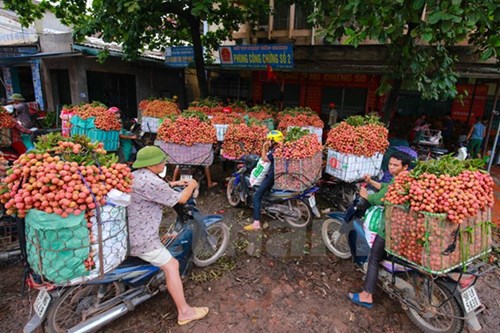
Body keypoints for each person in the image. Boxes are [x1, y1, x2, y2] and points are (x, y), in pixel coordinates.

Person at [127, 146, 209, 325]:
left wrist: (175, 184)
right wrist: (193, 185)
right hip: (141, 238)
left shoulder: (135, 175)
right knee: (172, 265)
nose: (165, 163)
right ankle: (185, 312)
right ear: (152, 164)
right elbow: (181, 200)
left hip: (129, 230)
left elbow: (153, 189)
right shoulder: (153, 182)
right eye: (162, 161)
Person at [347, 151, 412, 308]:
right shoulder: (405, 179)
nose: (391, 167)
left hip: (390, 228)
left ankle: (366, 295)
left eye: (396, 165)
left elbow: (377, 199)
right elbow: (385, 187)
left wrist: (365, 195)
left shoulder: (398, 184)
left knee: (373, 259)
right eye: (390, 164)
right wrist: (371, 182)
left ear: (405, 166)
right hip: (404, 227)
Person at [244, 130, 283, 231]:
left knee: (257, 196)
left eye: (269, 140)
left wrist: (263, 147)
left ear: (273, 141)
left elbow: (264, 158)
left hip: (271, 177)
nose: (268, 141)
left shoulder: (275, 151)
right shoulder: (280, 148)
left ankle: (256, 223)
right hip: (278, 175)